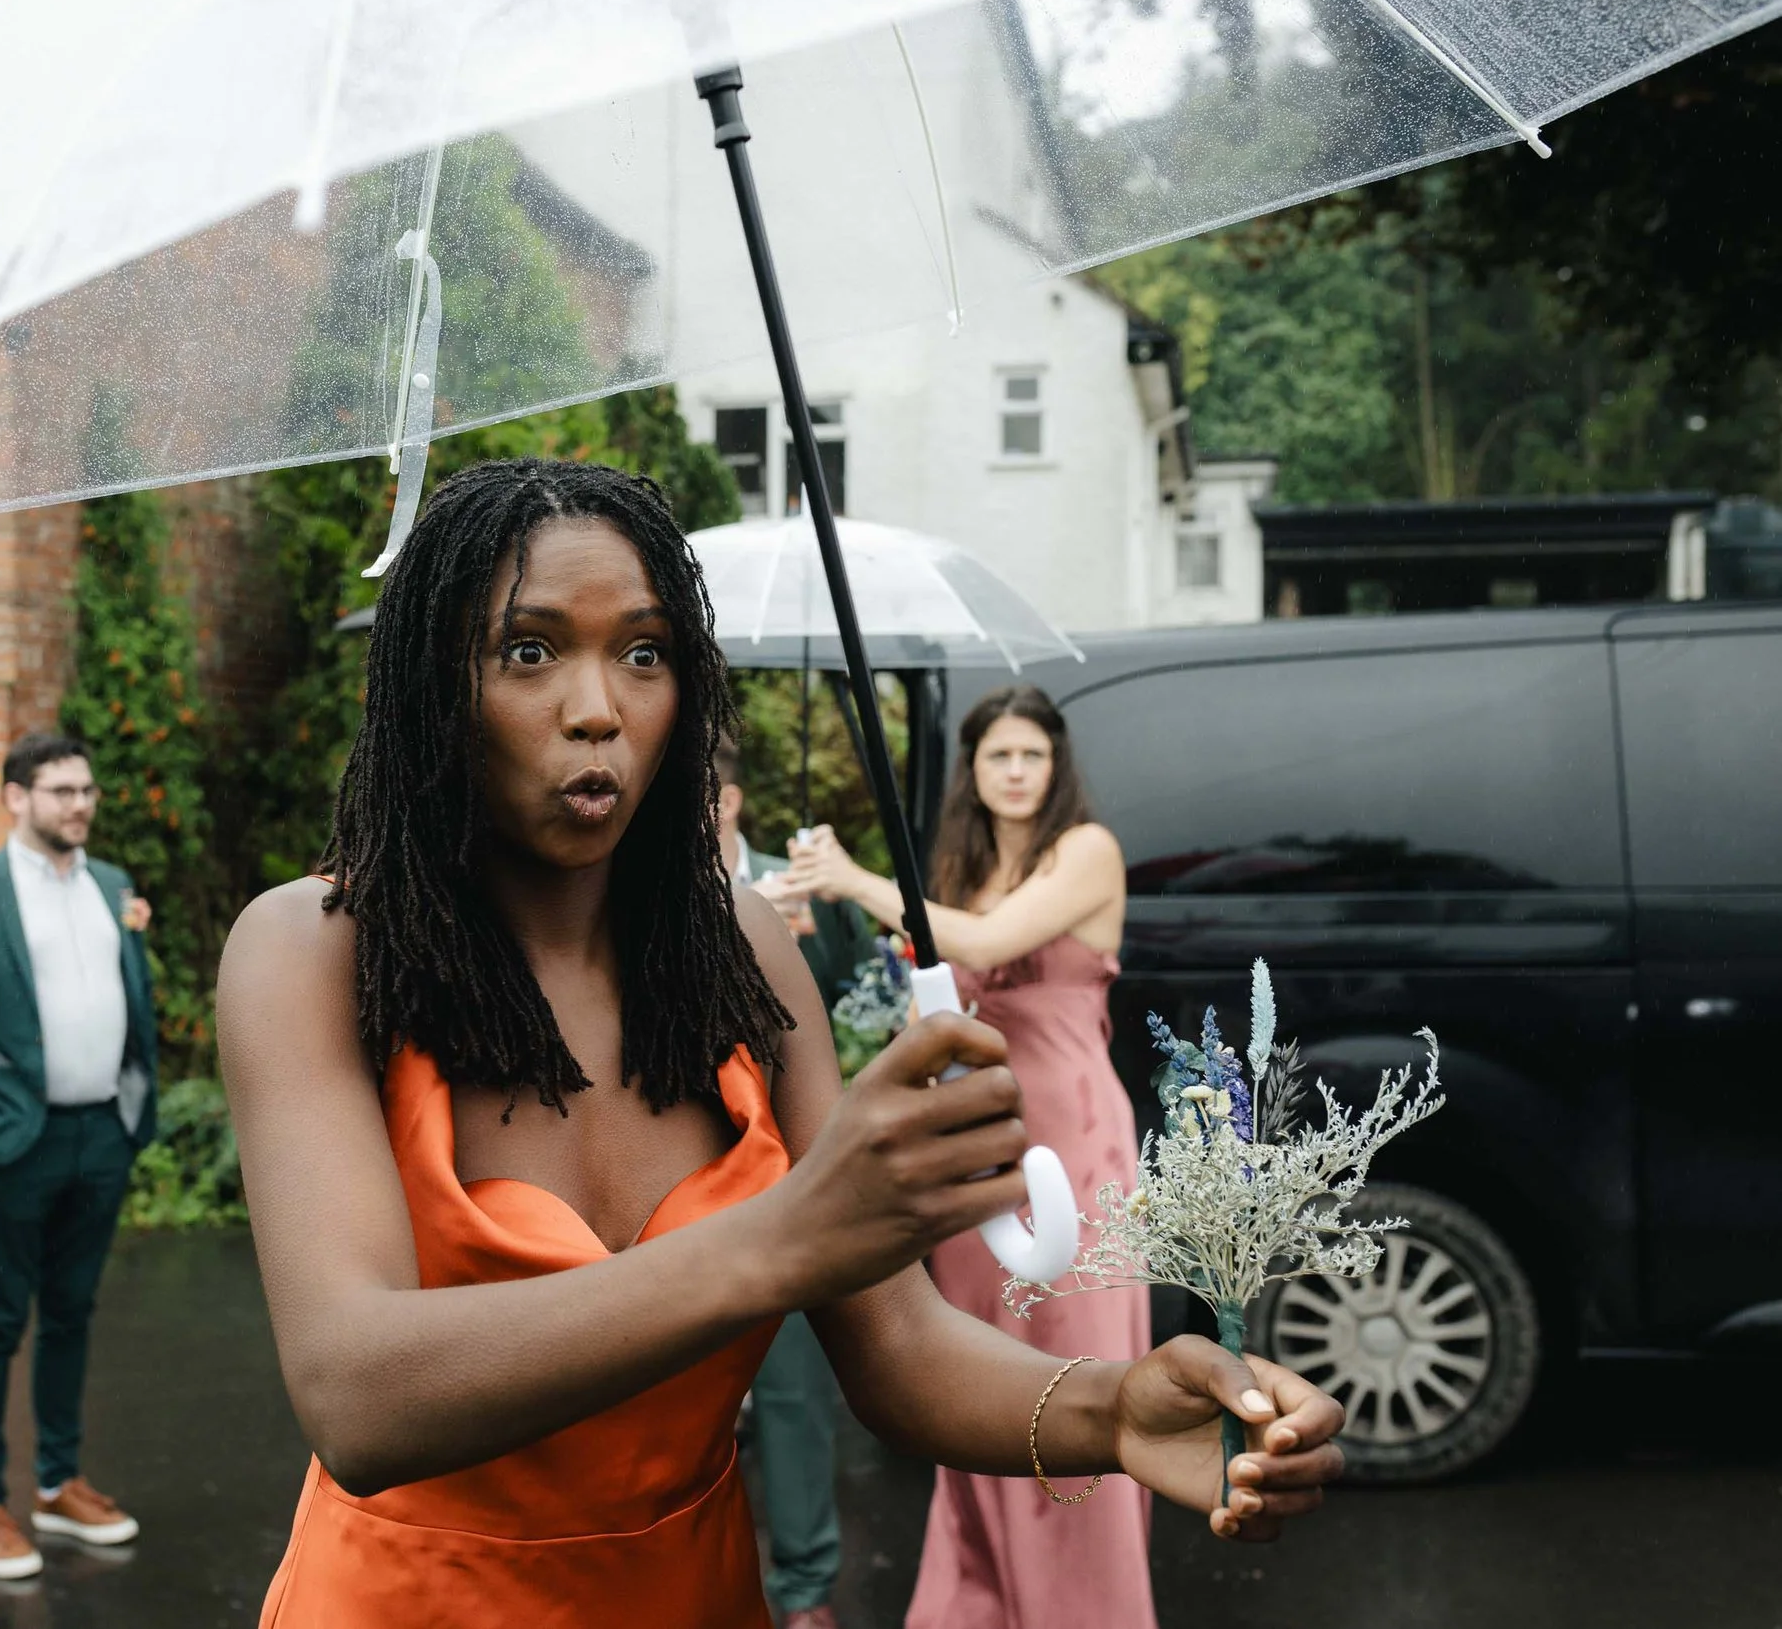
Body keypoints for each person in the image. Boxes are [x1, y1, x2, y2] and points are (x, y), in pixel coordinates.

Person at [218, 460, 1344, 1628]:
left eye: (645, 652)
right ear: (428, 687)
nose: (598, 704)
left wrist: (1108, 1408)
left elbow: (897, 1343)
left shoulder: (740, 955)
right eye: (528, 650)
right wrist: (787, 1234)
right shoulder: (315, 951)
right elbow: (356, 1397)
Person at [770, 683, 1153, 1629]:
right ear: (972, 772)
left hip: (1073, 1150)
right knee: (979, 1384)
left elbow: (981, 940)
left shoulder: (1086, 852)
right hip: (979, 1150)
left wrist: (857, 878)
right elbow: (928, 1006)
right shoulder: (956, 868)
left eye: (1032, 754)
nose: (1017, 772)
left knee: (1077, 1375)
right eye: (998, 757)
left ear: (1056, 765)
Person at [0, 732, 161, 1580]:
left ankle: (58, 1482)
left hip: (103, 1131)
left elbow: (132, 996)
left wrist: (135, 1106)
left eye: (87, 789)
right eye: (61, 790)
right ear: (15, 797)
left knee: (72, 1313)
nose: (80, 804)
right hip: (15, 1140)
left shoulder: (111, 885)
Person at [714, 732, 866, 1629]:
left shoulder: (796, 878)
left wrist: (812, 933)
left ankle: (806, 1590)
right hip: (690, 1166)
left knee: (794, 1383)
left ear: (729, 800)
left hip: (789, 1158)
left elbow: (854, 992)